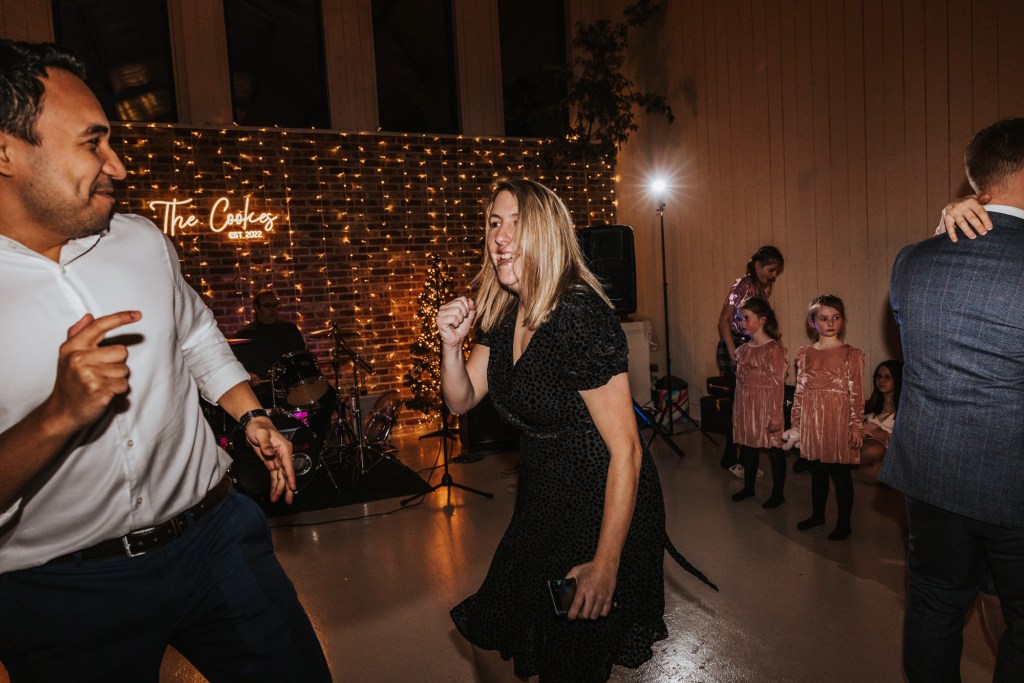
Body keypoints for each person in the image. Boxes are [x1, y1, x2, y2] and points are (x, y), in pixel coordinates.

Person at [0, 40, 330, 681]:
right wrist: (58, 415)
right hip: (62, 594)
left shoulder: (142, 241)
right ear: (7, 151)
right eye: (92, 143)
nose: (118, 167)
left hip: (217, 539)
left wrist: (251, 415)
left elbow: (196, 334)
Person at [437, 178, 715, 682]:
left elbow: (627, 451)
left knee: (569, 652)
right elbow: (461, 398)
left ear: (546, 233)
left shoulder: (578, 315)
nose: (500, 236)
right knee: (494, 628)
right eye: (494, 223)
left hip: (598, 509)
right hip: (541, 502)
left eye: (517, 223)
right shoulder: (505, 312)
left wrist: (605, 564)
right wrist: (451, 346)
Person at [882, 117, 1024, 682]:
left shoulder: (912, 260)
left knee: (934, 606)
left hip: (932, 474)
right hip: (1013, 480)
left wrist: (945, 225)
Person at [790, 295, 865, 541]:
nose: (830, 323)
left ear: (843, 320)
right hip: (813, 422)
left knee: (840, 474)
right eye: (823, 318)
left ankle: (844, 524)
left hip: (839, 421)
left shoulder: (851, 354)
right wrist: (796, 423)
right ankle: (817, 515)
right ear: (812, 323)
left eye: (836, 317)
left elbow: (857, 393)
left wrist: (856, 426)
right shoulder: (805, 354)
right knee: (818, 472)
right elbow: (799, 391)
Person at [716, 245, 785, 470]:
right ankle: (731, 459)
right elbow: (723, 320)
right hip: (735, 345)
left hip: (750, 345)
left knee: (749, 407)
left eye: (776, 271)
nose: (773, 275)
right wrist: (733, 351)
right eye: (771, 270)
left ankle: (744, 460)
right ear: (757, 266)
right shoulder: (742, 285)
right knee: (739, 407)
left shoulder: (760, 288)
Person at [728, 297, 788, 508]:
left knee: (774, 449)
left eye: (746, 318)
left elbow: (777, 385)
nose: (742, 323)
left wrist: (775, 415)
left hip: (766, 407)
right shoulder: (743, 350)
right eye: (740, 318)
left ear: (762, 320)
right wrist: (738, 411)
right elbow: (740, 384)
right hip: (747, 407)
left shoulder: (773, 349)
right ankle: (749, 487)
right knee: (749, 447)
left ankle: (778, 493)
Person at [233, 288, 307, 406]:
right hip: (261, 390)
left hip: (292, 387)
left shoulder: (290, 329)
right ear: (256, 308)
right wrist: (248, 374)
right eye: (267, 306)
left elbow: (302, 357)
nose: (273, 310)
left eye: (275, 305)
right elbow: (233, 364)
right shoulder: (244, 334)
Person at [855, 360, 903, 484]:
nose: (881, 380)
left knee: (881, 471)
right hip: (862, 445)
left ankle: (832, 470)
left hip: (886, 454)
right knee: (876, 449)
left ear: (898, 379)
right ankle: (830, 463)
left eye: (887, 377)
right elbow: (847, 426)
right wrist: (871, 427)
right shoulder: (868, 406)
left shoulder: (905, 411)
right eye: (878, 376)